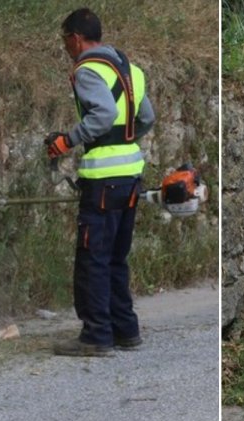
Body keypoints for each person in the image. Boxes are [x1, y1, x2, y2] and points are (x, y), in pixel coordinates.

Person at [48, 8, 156, 356]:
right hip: (130, 175)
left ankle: (96, 336)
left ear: (76, 37)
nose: (65, 46)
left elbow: (104, 113)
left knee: (92, 257)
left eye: (65, 39)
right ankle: (126, 330)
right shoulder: (131, 70)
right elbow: (147, 117)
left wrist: (69, 139)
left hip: (102, 179)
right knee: (116, 257)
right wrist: (124, 140)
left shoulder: (86, 69)